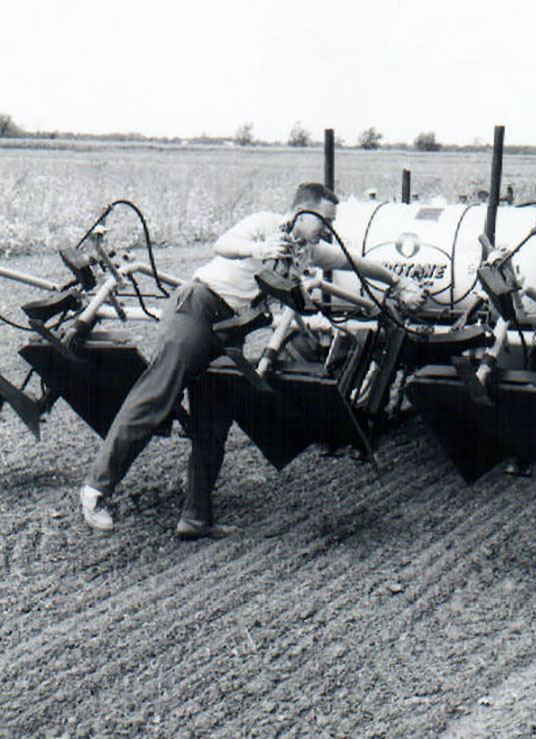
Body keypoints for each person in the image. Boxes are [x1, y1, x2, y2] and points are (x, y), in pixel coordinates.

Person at [79, 182, 424, 539]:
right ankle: (95, 492)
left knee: (213, 423)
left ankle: (196, 519)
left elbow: (357, 263)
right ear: (302, 212)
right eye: (325, 220)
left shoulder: (309, 252)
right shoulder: (265, 224)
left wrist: (398, 283)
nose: (328, 229)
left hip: (230, 331)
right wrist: (260, 248)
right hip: (198, 309)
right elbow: (222, 245)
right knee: (156, 398)